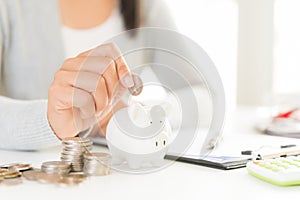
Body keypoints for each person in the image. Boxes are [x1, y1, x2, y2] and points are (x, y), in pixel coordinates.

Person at [0, 0, 177, 150]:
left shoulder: (146, 6)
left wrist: (141, 115)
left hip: (118, 181)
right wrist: (47, 120)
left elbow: (201, 92)